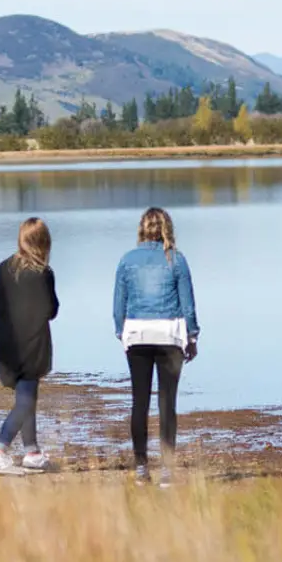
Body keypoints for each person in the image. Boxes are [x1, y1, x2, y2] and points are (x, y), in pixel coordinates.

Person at [112, 206, 199, 487]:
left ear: (142, 229)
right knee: (166, 403)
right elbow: (188, 304)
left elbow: (118, 305)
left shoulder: (127, 260)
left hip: (136, 334)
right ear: (167, 229)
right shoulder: (176, 259)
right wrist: (193, 336)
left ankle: (140, 468)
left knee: (139, 401)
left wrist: (121, 333)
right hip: (169, 335)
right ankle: (166, 471)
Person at [0, 218, 60, 475]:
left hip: (5, 341)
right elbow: (51, 310)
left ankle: (32, 451)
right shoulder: (43, 273)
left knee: (26, 396)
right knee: (26, 400)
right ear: (43, 243)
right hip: (32, 343)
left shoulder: (3, 268)